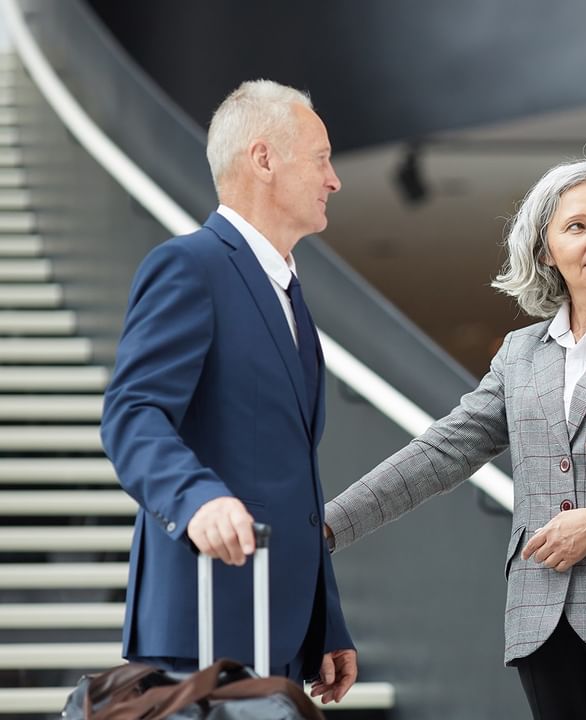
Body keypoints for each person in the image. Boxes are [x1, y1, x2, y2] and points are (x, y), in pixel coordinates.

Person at [323, 159, 586, 720]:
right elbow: (442, 451)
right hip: (540, 619)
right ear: (545, 249)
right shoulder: (520, 352)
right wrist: (328, 525)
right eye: (577, 227)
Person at [100, 80, 357, 703]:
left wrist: (327, 620)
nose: (335, 180)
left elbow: (294, 475)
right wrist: (195, 501)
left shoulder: (290, 293)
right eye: (321, 158)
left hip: (282, 627)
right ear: (264, 159)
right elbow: (132, 414)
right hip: (203, 616)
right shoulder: (189, 266)